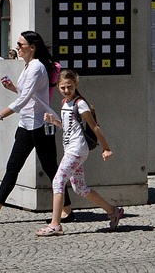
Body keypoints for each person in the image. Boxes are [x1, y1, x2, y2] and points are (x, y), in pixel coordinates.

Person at [0, 31, 73, 223]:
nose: (17, 47)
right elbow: (28, 95)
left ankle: (67, 209)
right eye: (17, 44)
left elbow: (23, 100)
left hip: (40, 125)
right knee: (13, 166)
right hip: (26, 125)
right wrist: (12, 88)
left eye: (20, 44)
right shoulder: (28, 66)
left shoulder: (36, 67)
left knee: (51, 169)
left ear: (32, 47)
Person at [36, 69, 124, 236]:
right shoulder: (65, 103)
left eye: (70, 86)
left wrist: (106, 148)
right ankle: (113, 211)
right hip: (72, 150)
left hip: (77, 150)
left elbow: (95, 127)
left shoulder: (80, 103)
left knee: (58, 181)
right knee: (80, 188)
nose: (66, 90)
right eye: (62, 87)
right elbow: (67, 126)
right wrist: (53, 121)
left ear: (75, 85)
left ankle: (55, 225)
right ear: (58, 87)